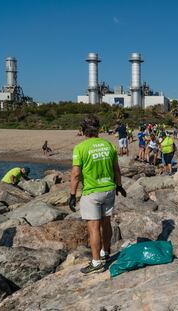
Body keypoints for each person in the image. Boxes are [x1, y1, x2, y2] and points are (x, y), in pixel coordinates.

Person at [68, 115, 126, 275]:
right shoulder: (108, 145)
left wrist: (72, 194)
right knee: (106, 223)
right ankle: (105, 252)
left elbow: (75, 174)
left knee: (93, 227)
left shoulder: (80, 148)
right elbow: (116, 170)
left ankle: (96, 262)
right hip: (109, 189)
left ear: (83, 130)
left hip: (92, 192)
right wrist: (119, 186)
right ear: (99, 129)